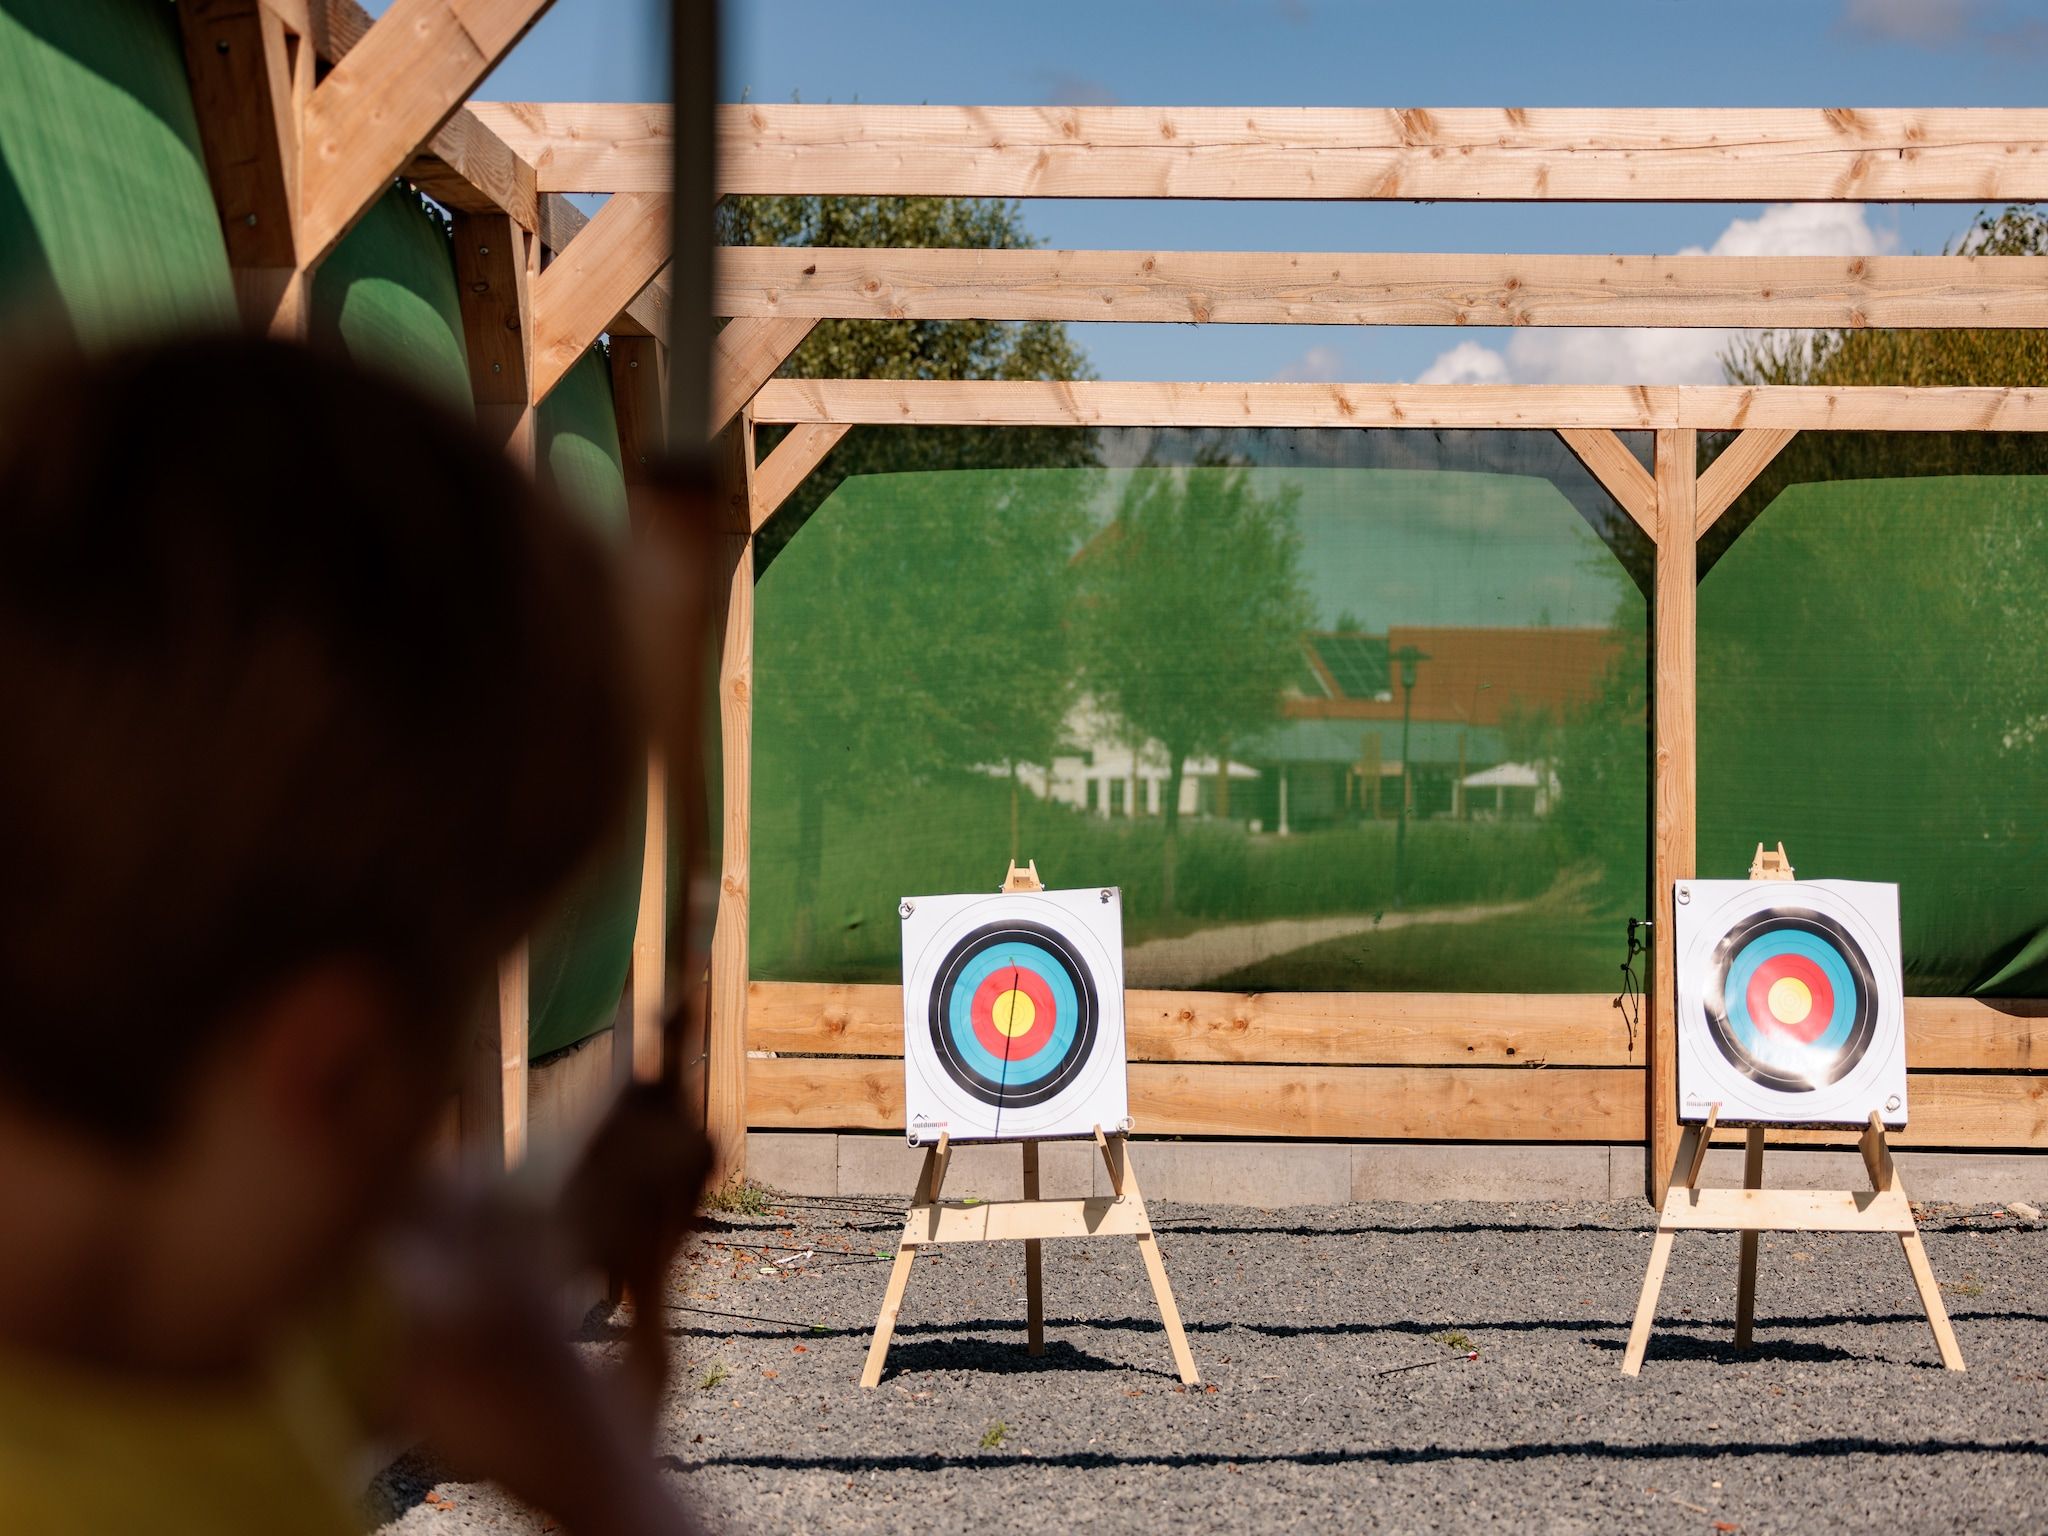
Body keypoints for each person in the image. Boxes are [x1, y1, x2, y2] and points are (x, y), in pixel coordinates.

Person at [0, 335, 706, 1535]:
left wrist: (564, 1225)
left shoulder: (166, 1291)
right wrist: (602, 1467)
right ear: (329, 1074)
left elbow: (416, 1268)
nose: (409, 1191)